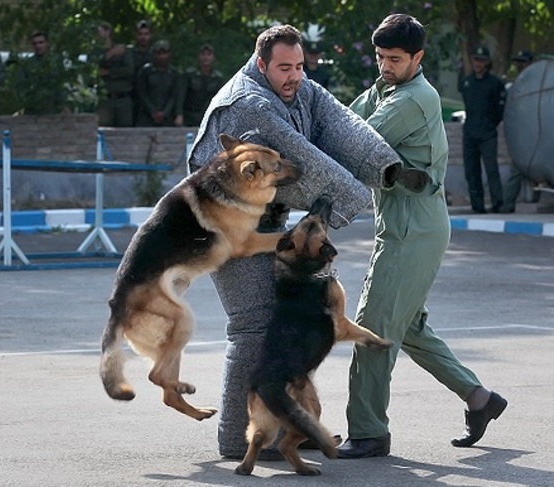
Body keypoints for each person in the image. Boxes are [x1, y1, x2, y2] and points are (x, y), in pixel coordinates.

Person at [187, 24, 430, 460]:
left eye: (299, 65)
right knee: (251, 324)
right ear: (261, 65)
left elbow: (340, 125)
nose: (294, 75)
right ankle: (233, 440)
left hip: (262, 220)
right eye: (284, 67)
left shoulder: (300, 89)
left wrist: (385, 168)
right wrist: (352, 194)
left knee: (272, 327)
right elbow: (299, 158)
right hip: (221, 224)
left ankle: (280, 434)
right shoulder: (249, 105)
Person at [336, 14, 507, 459]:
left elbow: (356, 142)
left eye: (394, 59)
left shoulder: (414, 98)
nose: (385, 66)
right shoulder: (386, 88)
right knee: (406, 325)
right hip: (405, 224)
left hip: (414, 229)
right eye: (380, 57)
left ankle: (369, 432)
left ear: (418, 58)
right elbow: (341, 122)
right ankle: (480, 399)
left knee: (374, 328)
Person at [459, 46, 506, 213]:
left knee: (491, 169)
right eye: (475, 60)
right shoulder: (467, 82)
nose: (478, 63)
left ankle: (497, 203)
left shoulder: (495, 83)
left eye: (481, 60)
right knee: (471, 170)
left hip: (487, 133)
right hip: (470, 132)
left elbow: (500, 110)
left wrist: (490, 124)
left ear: (487, 62)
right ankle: (477, 205)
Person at [501, 49, 539, 213]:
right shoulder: (514, 86)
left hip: (539, 133)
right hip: (522, 135)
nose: (519, 66)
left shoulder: (540, 83)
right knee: (517, 168)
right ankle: (507, 204)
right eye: (518, 62)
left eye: (523, 62)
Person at [96, 22, 135, 127]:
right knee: (103, 131)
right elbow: (93, 69)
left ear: (107, 31)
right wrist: (110, 54)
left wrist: (109, 72)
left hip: (122, 99)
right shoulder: (95, 52)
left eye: (99, 31)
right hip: (105, 100)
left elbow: (129, 70)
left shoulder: (123, 50)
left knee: (125, 133)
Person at [177, 43, 225, 127]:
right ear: (199, 57)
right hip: (189, 115)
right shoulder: (189, 75)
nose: (206, 57)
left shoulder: (218, 78)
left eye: (209, 54)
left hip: (208, 116)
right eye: (203, 54)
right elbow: (180, 95)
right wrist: (179, 114)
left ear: (214, 57)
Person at [136, 40, 180, 126]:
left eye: (164, 53)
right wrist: (152, 112)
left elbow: (174, 96)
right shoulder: (145, 71)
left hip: (167, 118)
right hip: (146, 116)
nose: (161, 56)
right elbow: (141, 94)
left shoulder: (174, 73)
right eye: (158, 53)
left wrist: (165, 112)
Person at [130, 19, 154, 125]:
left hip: (150, 98)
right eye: (140, 34)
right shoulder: (129, 53)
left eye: (146, 34)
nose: (143, 37)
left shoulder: (155, 54)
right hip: (131, 96)